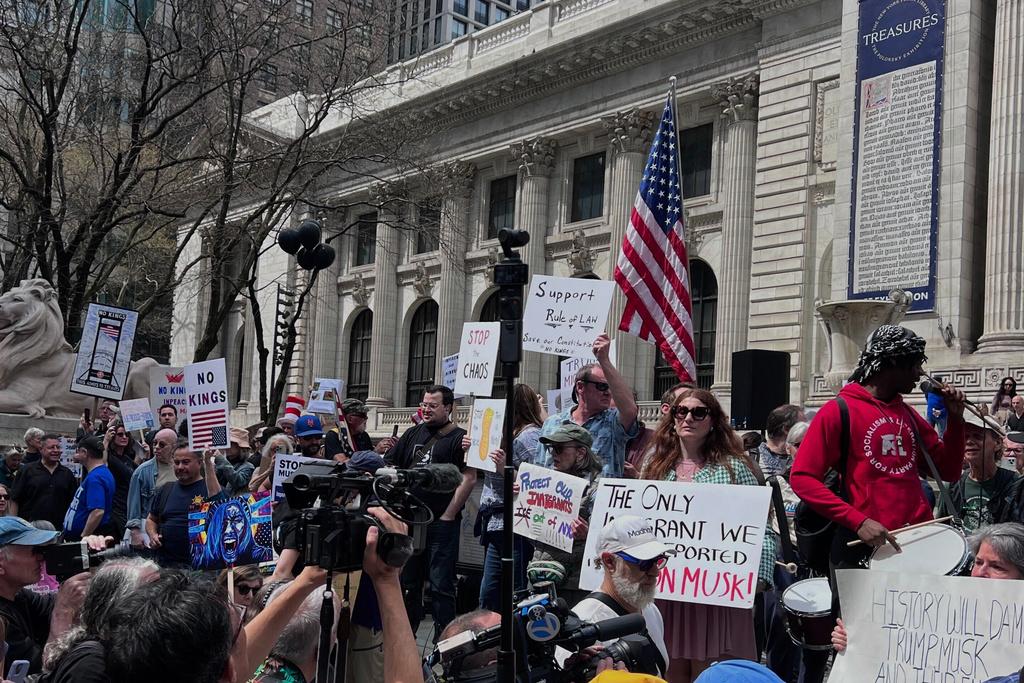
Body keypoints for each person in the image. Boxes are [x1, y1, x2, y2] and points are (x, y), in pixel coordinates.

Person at [790, 325, 965, 567]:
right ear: (892, 363)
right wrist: (858, 521)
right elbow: (802, 478)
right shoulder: (837, 411)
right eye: (914, 365)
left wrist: (956, 421)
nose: (919, 374)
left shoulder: (908, 415)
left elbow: (949, 471)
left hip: (917, 543)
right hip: (863, 547)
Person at [640, 388, 777, 682]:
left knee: (712, 674)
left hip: (716, 595)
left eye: (698, 412)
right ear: (672, 418)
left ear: (713, 421)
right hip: (668, 592)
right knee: (667, 672)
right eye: (681, 411)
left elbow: (761, 529)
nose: (688, 417)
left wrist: (756, 581)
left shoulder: (735, 468)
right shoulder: (653, 468)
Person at [250, 508, 423, 683]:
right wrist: (387, 580)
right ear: (322, 650)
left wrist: (304, 581)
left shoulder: (235, 673)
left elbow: (240, 654)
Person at [831, 522, 1024, 654]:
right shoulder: (940, 607)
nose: (980, 573)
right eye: (978, 562)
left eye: (997, 567)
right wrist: (854, 640)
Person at [385, 384, 473, 640]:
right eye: (424, 405)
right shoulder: (412, 433)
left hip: (442, 524)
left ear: (448, 407)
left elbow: (469, 477)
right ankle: (404, 636)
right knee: (408, 583)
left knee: (441, 585)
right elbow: (392, 466)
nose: (426, 410)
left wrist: (448, 514)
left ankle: (444, 641)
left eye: (432, 406)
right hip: (410, 521)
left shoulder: (459, 438)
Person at [565, 515, 672, 677]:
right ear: (609, 561)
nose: (655, 572)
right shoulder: (583, 624)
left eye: (657, 560)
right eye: (644, 562)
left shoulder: (649, 609)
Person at [0, 517, 99, 676]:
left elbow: (81, 607)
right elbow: (44, 671)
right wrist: (63, 611)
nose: (42, 558)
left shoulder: (19, 596)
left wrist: (89, 559)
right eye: (34, 551)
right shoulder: (2, 620)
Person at [478, 383, 544, 611]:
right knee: (491, 593)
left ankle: (514, 641)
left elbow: (540, 482)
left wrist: (505, 468)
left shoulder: (529, 437)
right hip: (498, 525)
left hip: (516, 526)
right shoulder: (507, 435)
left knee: (511, 593)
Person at [41, 556, 160, 682]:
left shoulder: (144, 643)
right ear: (118, 605)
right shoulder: (92, 664)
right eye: (152, 590)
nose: (164, 595)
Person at [538, 334, 639, 478]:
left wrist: (604, 360)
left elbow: (630, 410)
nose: (609, 393)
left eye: (611, 387)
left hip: (598, 500)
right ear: (580, 387)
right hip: (557, 498)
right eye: (602, 386)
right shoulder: (552, 423)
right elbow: (539, 467)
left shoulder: (612, 422)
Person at [528, 423, 604, 607]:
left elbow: (606, 539)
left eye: (559, 448)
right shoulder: (544, 483)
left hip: (572, 587)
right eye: (551, 448)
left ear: (580, 453)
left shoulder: (598, 488)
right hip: (540, 576)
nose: (553, 453)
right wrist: (521, 498)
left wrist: (587, 535)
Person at [145, 443, 223, 566]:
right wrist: (152, 535)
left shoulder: (212, 490)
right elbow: (151, 519)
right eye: (176, 463)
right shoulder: (165, 489)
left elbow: (223, 517)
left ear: (199, 462)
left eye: (186, 462)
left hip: (202, 569)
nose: (180, 467)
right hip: (167, 568)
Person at [940, 412, 1018, 532]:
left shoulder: (1014, 485)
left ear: (997, 443)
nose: (969, 441)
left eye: (977, 436)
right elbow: (941, 531)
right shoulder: (951, 487)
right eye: (965, 437)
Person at [9, 434, 77, 530]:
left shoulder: (67, 474)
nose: (56, 450)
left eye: (58, 447)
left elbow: (73, 504)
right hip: (29, 529)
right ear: (41, 449)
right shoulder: (27, 471)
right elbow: (15, 499)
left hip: (58, 530)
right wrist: (13, 526)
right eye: (51, 448)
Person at [125, 427, 178, 546]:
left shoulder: (181, 468)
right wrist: (135, 532)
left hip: (174, 529)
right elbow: (134, 505)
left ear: (174, 446)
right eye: (154, 443)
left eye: (162, 444)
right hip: (149, 531)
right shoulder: (142, 471)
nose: (156, 447)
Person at [63, 436, 116, 542]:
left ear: (84, 452)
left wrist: (84, 537)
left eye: (78, 451)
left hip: (87, 539)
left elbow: (97, 511)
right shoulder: (100, 472)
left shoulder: (95, 478)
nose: (76, 455)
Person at [104, 418, 143, 536]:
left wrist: (141, 454)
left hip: (129, 505)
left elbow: (134, 474)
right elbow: (102, 463)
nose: (124, 437)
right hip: (116, 507)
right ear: (113, 437)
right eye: (120, 434)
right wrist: (106, 440)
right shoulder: (109, 457)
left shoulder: (127, 459)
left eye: (126, 434)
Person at [758, 405, 805, 477]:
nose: (809, 430)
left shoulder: (806, 459)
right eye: (802, 426)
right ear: (786, 429)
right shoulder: (752, 459)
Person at [215, 427, 256, 495]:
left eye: (231, 443)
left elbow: (237, 482)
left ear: (241, 448)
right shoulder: (222, 462)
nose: (227, 446)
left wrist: (221, 459)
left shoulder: (248, 467)